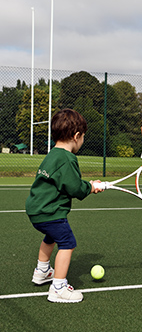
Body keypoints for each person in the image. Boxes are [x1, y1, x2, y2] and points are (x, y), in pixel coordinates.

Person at [26, 109, 103, 303]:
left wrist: (87, 185)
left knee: (51, 237)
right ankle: (58, 287)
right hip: (50, 212)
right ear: (76, 136)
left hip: (37, 210)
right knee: (68, 243)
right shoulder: (67, 159)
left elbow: (65, 182)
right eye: (83, 136)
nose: (83, 140)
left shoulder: (53, 155)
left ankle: (42, 272)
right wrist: (91, 187)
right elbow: (75, 188)